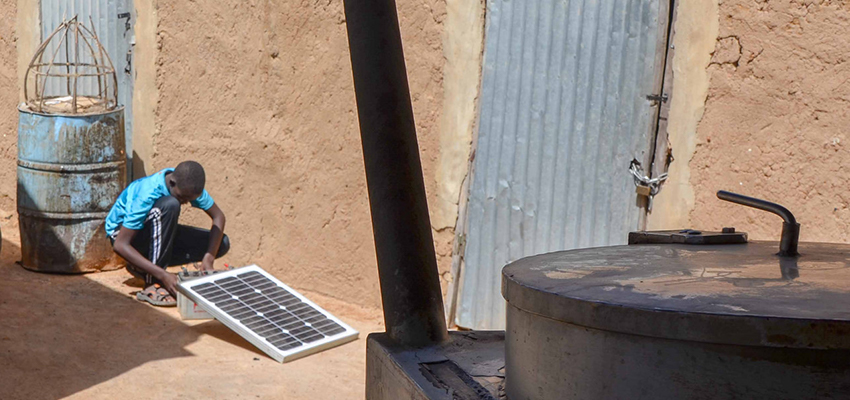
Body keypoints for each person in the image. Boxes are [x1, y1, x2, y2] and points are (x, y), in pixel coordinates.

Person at [105, 161, 230, 306]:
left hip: (154, 234)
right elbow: (120, 245)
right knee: (171, 205)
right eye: (182, 197)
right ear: (172, 183)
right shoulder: (148, 192)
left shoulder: (189, 186)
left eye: (189, 200)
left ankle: (142, 266)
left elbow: (218, 217)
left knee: (221, 243)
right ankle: (153, 282)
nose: (185, 203)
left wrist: (208, 259)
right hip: (126, 236)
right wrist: (163, 275)